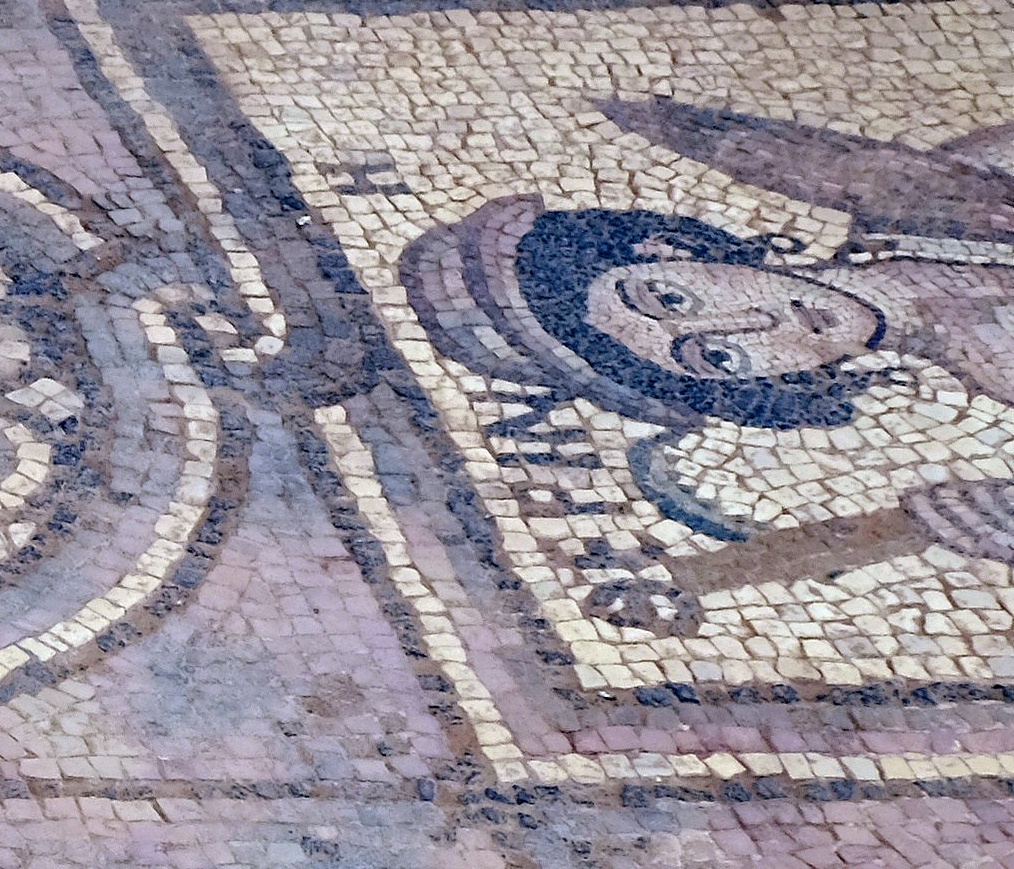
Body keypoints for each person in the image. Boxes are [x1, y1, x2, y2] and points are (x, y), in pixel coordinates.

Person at [395, 96, 1014, 609]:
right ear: (762, 386)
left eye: (669, 297)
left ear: (668, 249)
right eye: (716, 359)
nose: (753, 323)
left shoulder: (949, 181)